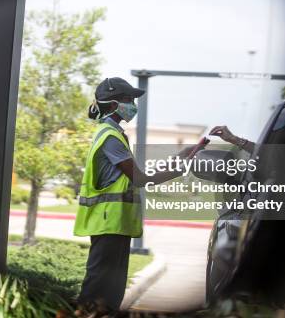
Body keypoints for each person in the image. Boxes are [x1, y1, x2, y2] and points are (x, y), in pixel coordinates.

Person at [73, 77, 201, 315]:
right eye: (127, 99)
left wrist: (179, 157)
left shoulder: (114, 134)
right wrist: (180, 166)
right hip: (107, 223)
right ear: (112, 105)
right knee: (99, 286)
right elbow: (140, 179)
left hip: (114, 224)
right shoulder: (110, 137)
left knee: (110, 288)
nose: (132, 104)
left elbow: (138, 175)